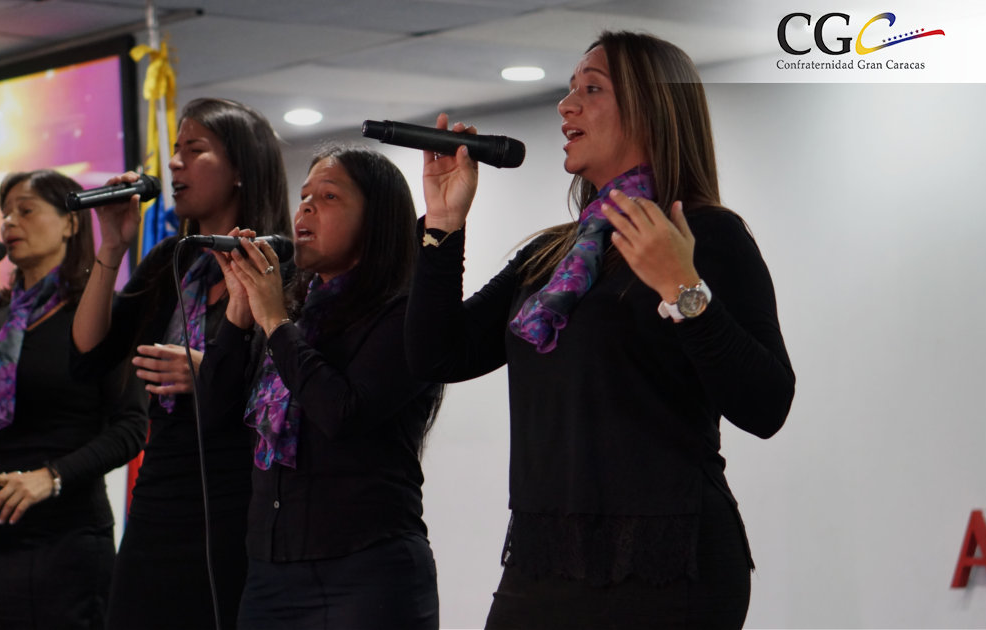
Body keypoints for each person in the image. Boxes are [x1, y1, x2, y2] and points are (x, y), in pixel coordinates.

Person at [406, 31, 796, 628]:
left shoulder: (706, 236)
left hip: (668, 562)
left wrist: (683, 289)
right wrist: (443, 224)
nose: (567, 106)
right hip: (547, 555)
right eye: (570, 90)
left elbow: (767, 405)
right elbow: (438, 354)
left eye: (592, 89)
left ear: (651, 107)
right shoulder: (551, 255)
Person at [70, 97, 292, 629]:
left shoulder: (278, 264)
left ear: (240, 169)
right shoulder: (174, 259)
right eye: (175, 150)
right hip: (159, 496)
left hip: (235, 500)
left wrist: (207, 371)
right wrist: (113, 246)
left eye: (194, 150)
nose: (174, 163)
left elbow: (288, 385)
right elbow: (88, 356)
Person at [203, 145, 442, 629]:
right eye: (304, 196)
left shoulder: (406, 313)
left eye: (328, 196)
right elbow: (211, 418)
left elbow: (342, 412)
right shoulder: (292, 312)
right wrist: (240, 312)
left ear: (376, 219)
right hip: (270, 572)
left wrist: (274, 320)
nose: (306, 208)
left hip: (365, 571)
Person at [0, 169, 148, 630]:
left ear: (70, 223)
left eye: (25, 210)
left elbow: (131, 427)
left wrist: (52, 477)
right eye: (5, 214)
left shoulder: (99, 312)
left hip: (67, 534)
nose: (9, 223)